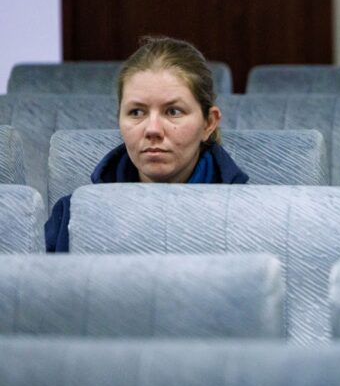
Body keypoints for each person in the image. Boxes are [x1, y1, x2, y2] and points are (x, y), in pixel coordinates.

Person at [44, 37, 248, 252]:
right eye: (137, 112)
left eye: (173, 112)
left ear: (208, 123)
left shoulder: (247, 216)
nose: (153, 129)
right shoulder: (71, 217)